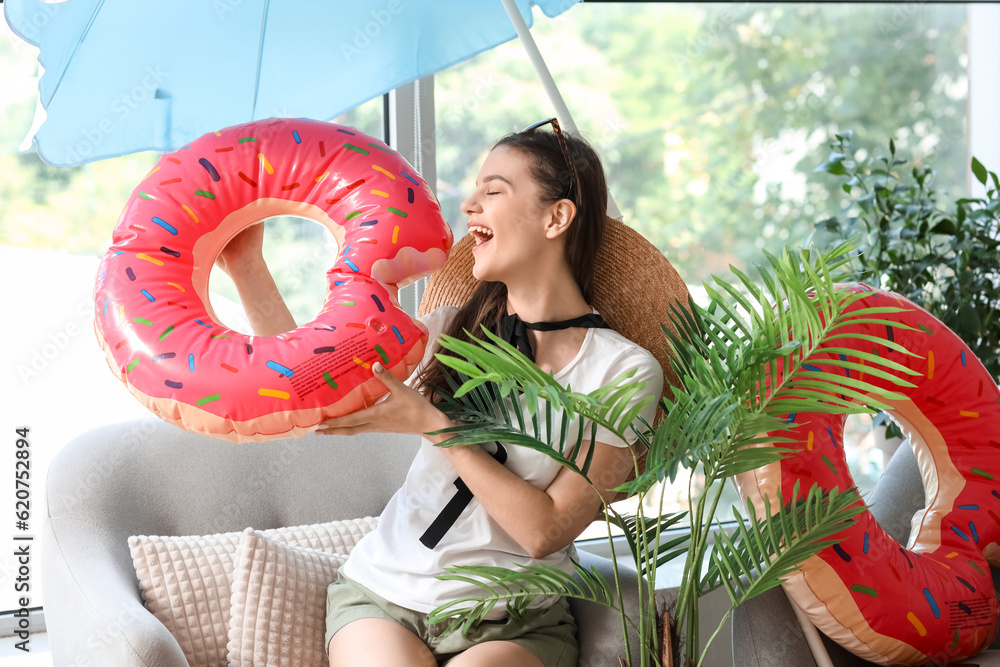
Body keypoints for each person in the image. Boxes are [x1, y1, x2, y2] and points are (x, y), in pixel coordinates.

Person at [216, 119, 665, 667]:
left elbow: (544, 531)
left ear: (557, 216)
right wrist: (246, 269)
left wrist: (437, 425)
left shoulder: (623, 371)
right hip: (382, 596)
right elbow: (305, 386)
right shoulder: (449, 328)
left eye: (493, 190)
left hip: (514, 620)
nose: (469, 204)